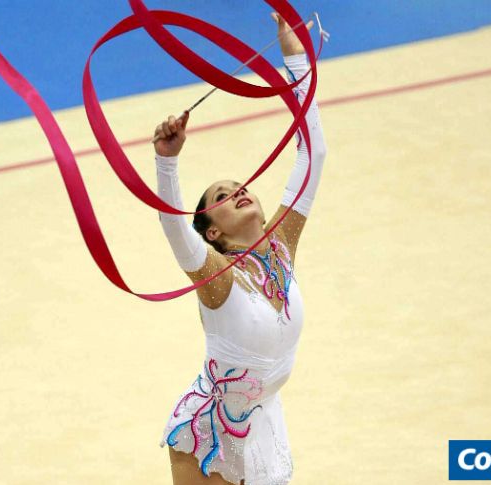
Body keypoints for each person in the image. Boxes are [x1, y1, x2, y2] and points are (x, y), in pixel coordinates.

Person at [154, 12, 327, 485]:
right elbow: (173, 226)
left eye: (240, 185)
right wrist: (166, 162)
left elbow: (313, 153)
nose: (239, 191)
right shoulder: (219, 277)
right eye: (222, 196)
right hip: (208, 433)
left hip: (263, 419)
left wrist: (295, 58)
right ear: (212, 231)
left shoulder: (281, 250)